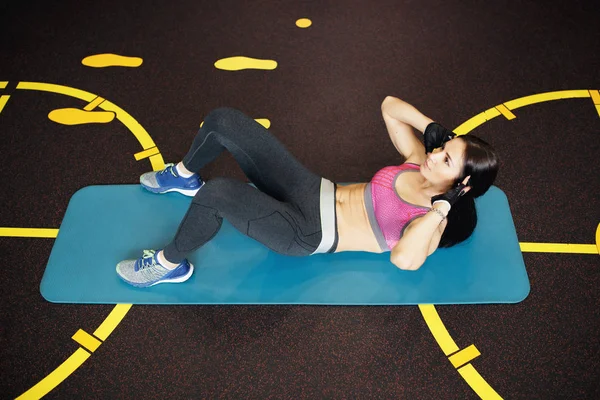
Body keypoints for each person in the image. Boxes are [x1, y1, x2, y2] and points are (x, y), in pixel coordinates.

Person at [116, 97, 499, 287]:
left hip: (307, 232)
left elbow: (404, 260)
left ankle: (168, 265)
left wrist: (440, 209)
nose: (433, 156)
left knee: (216, 195)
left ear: (463, 185)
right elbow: (388, 106)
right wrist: (433, 127)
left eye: (446, 159)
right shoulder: (419, 159)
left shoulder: (429, 224)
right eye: (442, 147)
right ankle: (183, 175)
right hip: (311, 188)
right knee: (223, 121)